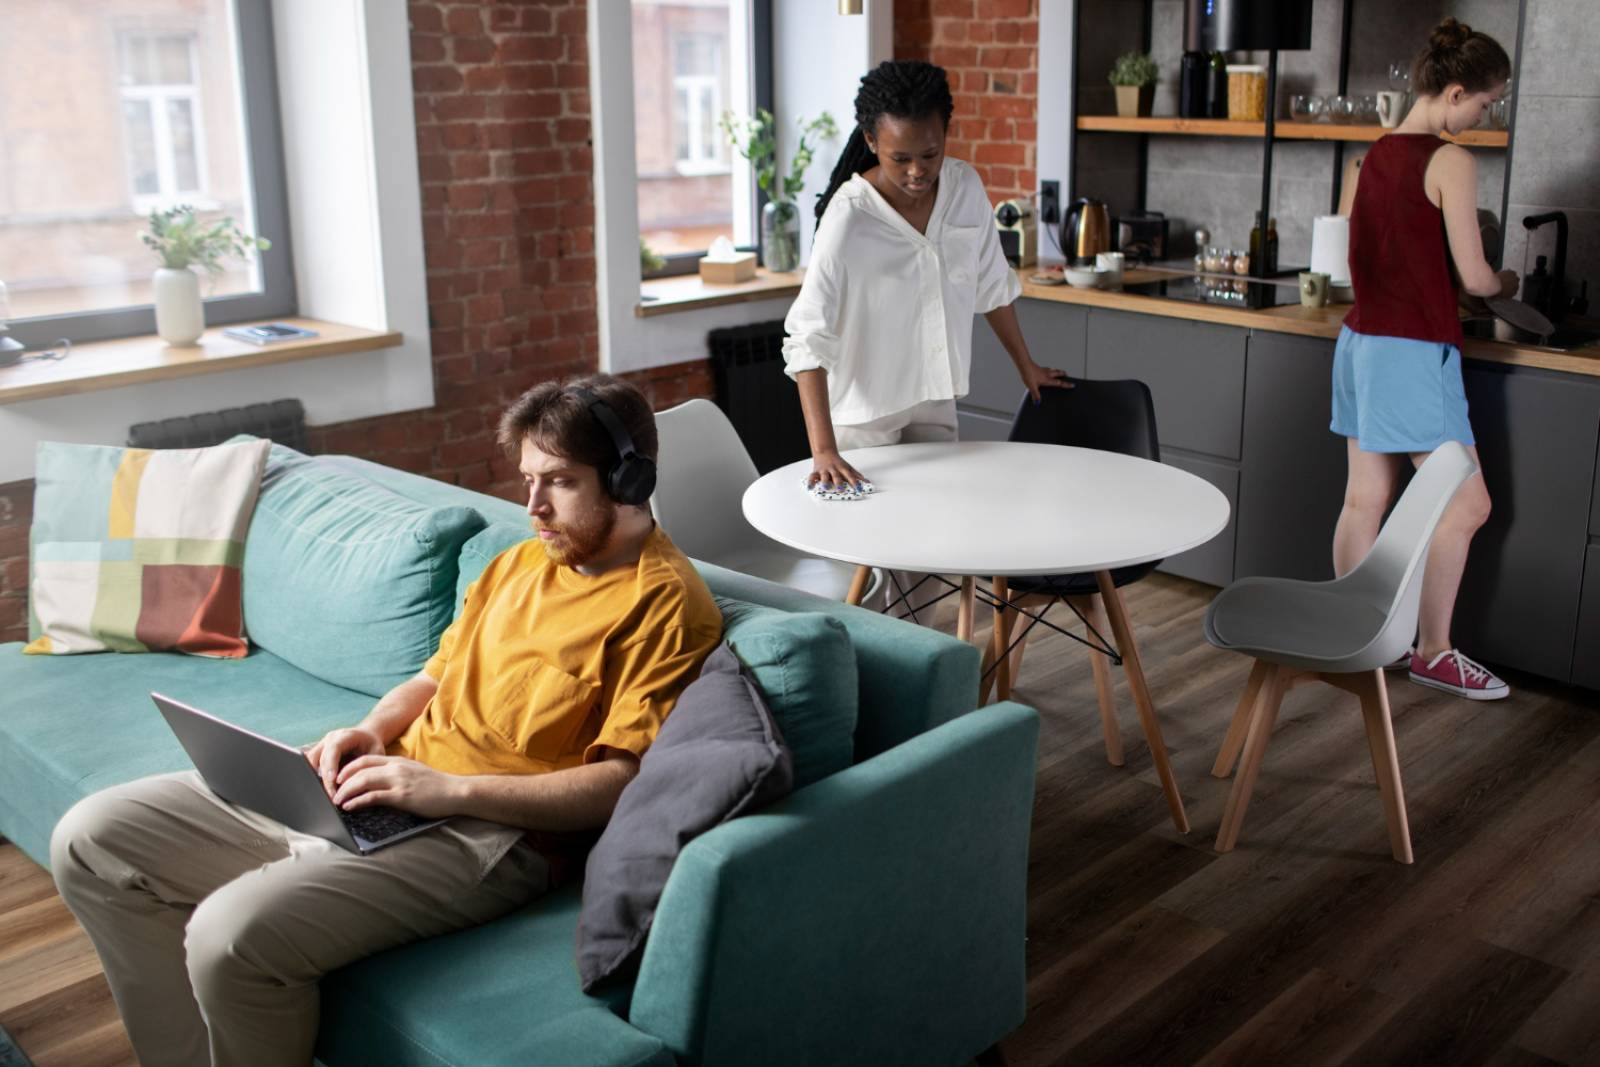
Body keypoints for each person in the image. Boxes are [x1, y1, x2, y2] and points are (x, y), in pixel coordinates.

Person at [49, 375, 723, 1066]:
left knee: (229, 935)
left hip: (488, 836)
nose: (535, 506)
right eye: (527, 479)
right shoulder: (522, 561)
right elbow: (435, 676)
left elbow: (620, 782)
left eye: (559, 482)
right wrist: (370, 730)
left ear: (628, 479)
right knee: (91, 841)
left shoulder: (664, 605)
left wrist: (446, 791)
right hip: (386, 785)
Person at [783, 59, 1069, 615]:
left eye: (930, 154)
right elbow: (805, 337)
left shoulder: (964, 188)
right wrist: (824, 448)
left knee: (930, 563)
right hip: (863, 420)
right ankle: (865, 680)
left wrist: (1026, 366)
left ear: (946, 136)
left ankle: (922, 677)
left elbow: (992, 285)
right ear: (871, 141)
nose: (918, 171)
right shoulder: (848, 219)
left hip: (933, 402)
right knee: (871, 571)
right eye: (900, 158)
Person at [1331, 17, 1515, 700]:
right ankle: (1434, 651)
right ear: (1457, 90)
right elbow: (1477, 277)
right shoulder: (1451, 161)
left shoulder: (1367, 159)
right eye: (1486, 103)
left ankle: (1354, 635)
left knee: (1365, 498)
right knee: (1467, 505)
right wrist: (1509, 284)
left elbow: (1353, 261)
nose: (1484, 116)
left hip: (1358, 344)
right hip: (1411, 352)